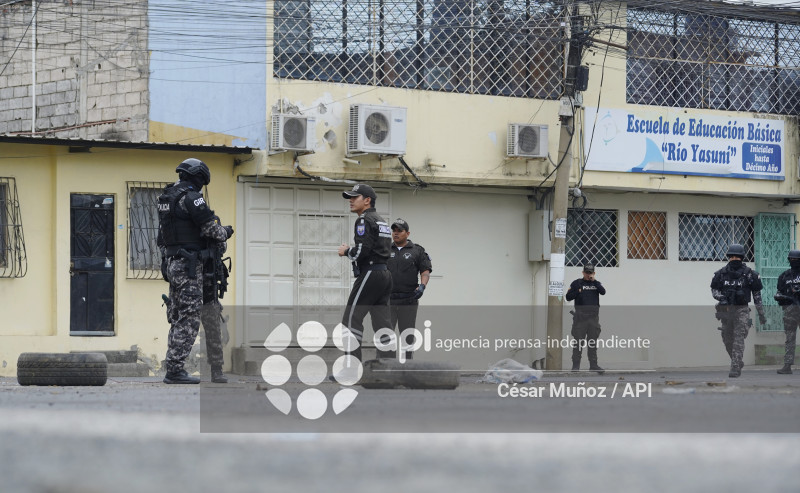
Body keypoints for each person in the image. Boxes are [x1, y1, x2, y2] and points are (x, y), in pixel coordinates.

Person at [158, 158, 234, 384]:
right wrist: (226, 231)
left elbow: (162, 237)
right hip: (193, 267)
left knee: (183, 315)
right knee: (192, 316)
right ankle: (177, 370)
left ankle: (192, 368)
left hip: (178, 264)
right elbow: (214, 231)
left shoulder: (167, 198)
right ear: (199, 178)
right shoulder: (192, 198)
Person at [338, 184, 393, 362]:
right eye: (350, 198)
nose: (351, 201)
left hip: (371, 273)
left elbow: (362, 251)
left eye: (355, 197)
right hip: (384, 274)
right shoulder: (381, 221)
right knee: (382, 323)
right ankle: (389, 367)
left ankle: (351, 368)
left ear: (367, 200)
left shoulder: (364, 220)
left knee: (350, 320)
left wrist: (346, 251)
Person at [710, 243, 766, 378]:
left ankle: (735, 367)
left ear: (741, 257)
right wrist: (721, 297)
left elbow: (757, 295)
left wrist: (761, 314)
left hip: (742, 310)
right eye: (732, 256)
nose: (734, 259)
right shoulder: (721, 274)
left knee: (738, 338)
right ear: (729, 257)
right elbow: (714, 290)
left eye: (737, 257)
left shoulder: (750, 275)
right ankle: (737, 361)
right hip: (726, 309)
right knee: (726, 339)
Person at [385, 218, 432, 360]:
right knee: (386, 336)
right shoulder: (385, 249)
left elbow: (425, 271)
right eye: (394, 230)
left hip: (409, 301)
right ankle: (388, 367)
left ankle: (407, 368)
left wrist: (422, 286)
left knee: (408, 336)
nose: (396, 233)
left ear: (407, 233)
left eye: (400, 230)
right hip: (388, 300)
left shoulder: (417, 250)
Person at [565, 264, 606, 373]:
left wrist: (595, 281)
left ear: (594, 273)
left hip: (593, 319)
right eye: (587, 272)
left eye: (590, 273)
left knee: (592, 342)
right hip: (580, 319)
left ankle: (593, 365)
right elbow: (568, 297)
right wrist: (577, 292)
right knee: (578, 342)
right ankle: (575, 366)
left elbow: (603, 292)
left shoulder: (596, 284)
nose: (588, 275)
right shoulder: (577, 283)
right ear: (583, 273)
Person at [773, 249, 800, 375]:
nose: (794, 261)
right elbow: (779, 292)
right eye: (792, 259)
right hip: (790, 311)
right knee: (790, 338)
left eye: (796, 260)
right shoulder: (784, 276)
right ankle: (787, 365)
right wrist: (781, 297)